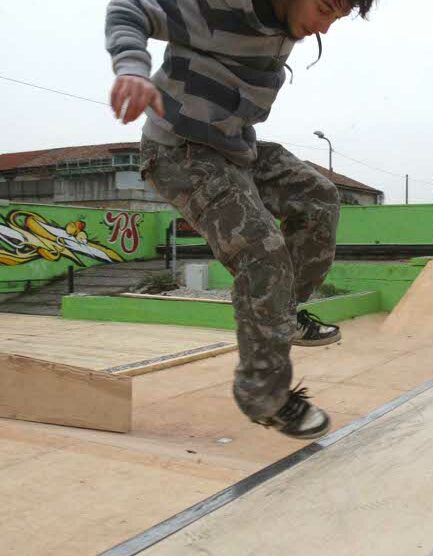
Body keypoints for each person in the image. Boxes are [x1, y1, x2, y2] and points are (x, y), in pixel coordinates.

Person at [105, 0, 375, 439]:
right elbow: (129, 8)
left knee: (319, 197)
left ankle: (283, 316)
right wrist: (132, 68)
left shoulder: (291, 22)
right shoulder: (222, 6)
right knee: (261, 251)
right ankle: (263, 395)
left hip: (235, 151)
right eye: (323, 9)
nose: (321, 28)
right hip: (179, 152)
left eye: (335, 20)